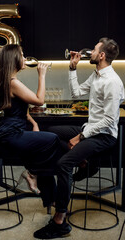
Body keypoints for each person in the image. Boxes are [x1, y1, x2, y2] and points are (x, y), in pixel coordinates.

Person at [33, 37, 125, 239]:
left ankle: (59, 221)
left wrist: (80, 137)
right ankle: (84, 163)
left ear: (101, 55)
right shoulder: (97, 76)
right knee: (52, 133)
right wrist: (72, 69)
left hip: (104, 136)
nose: (89, 52)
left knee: (64, 165)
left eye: (93, 49)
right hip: (90, 128)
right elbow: (75, 94)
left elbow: (110, 121)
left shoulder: (112, 82)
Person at [0, 44, 63, 197]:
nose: (24, 58)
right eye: (22, 55)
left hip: (8, 131)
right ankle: (32, 173)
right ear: (13, 59)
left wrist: (34, 123)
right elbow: (39, 100)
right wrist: (42, 75)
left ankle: (50, 197)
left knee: (43, 149)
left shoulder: (8, 81)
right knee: (53, 139)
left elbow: (17, 110)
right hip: (11, 134)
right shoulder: (13, 83)